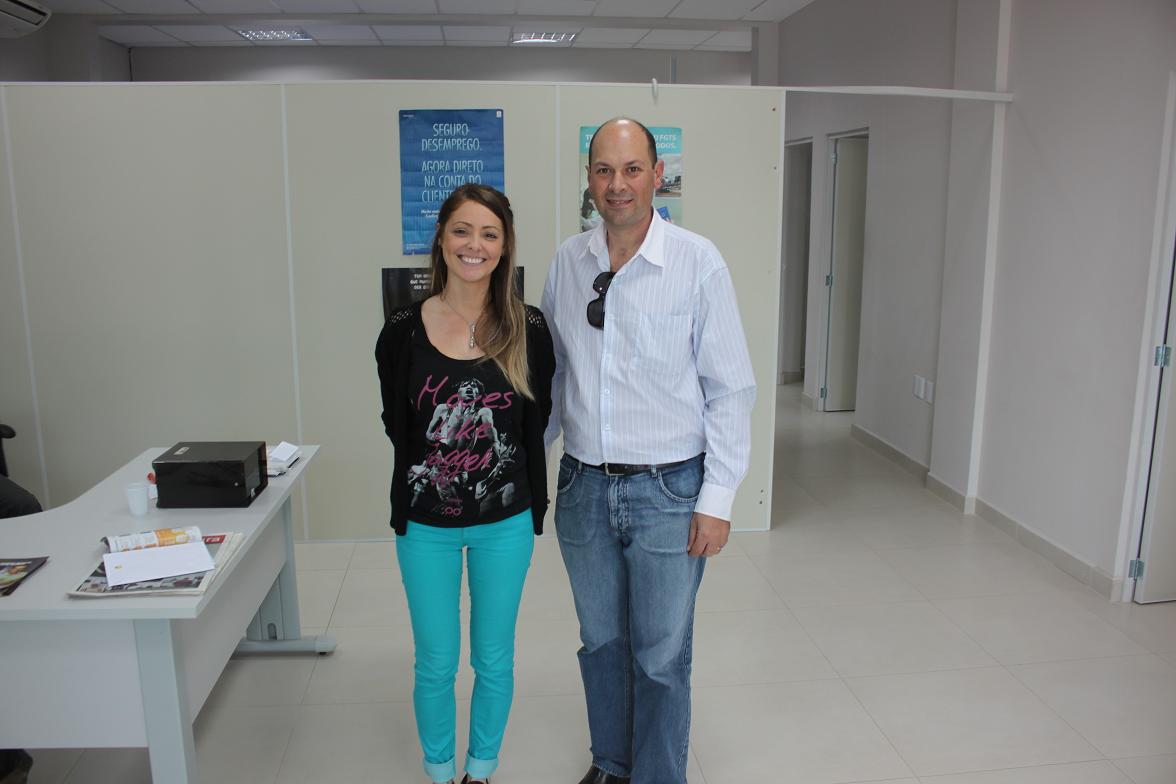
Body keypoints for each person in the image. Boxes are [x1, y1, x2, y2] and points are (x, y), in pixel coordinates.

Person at [542, 118, 755, 784]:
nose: (618, 184)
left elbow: (730, 388)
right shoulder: (568, 263)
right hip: (583, 487)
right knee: (602, 643)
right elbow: (552, 381)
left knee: (661, 654)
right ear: (589, 178)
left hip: (669, 490)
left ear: (658, 175)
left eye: (632, 169)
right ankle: (611, 763)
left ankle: (658, 775)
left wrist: (716, 500)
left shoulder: (697, 261)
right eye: (604, 169)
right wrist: (520, 474)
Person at [376, 183, 555, 784]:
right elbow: (395, 423)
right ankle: (437, 769)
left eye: (489, 234)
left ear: (504, 248)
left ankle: (479, 770)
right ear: (441, 240)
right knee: (435, 663)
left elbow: (538, 418)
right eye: (461, 230)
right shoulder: (401, 330)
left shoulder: (528, 326)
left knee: (493, 659)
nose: (473, 245)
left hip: (504, 526)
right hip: (426, 526)